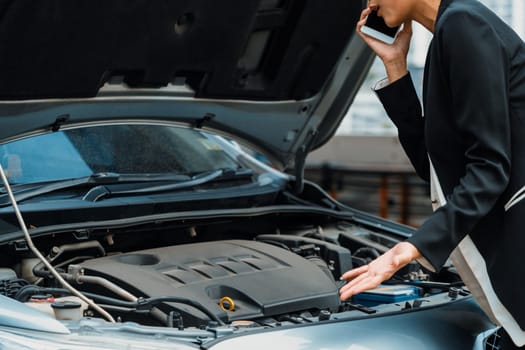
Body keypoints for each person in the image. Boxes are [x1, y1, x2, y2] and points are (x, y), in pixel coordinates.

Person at [338, 0, 525, 348]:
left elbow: (490, 168)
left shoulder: (463, 24)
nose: (370, 4)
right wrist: (395, 66)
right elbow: (437, 170)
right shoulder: (449, 34)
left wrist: (407, 250)